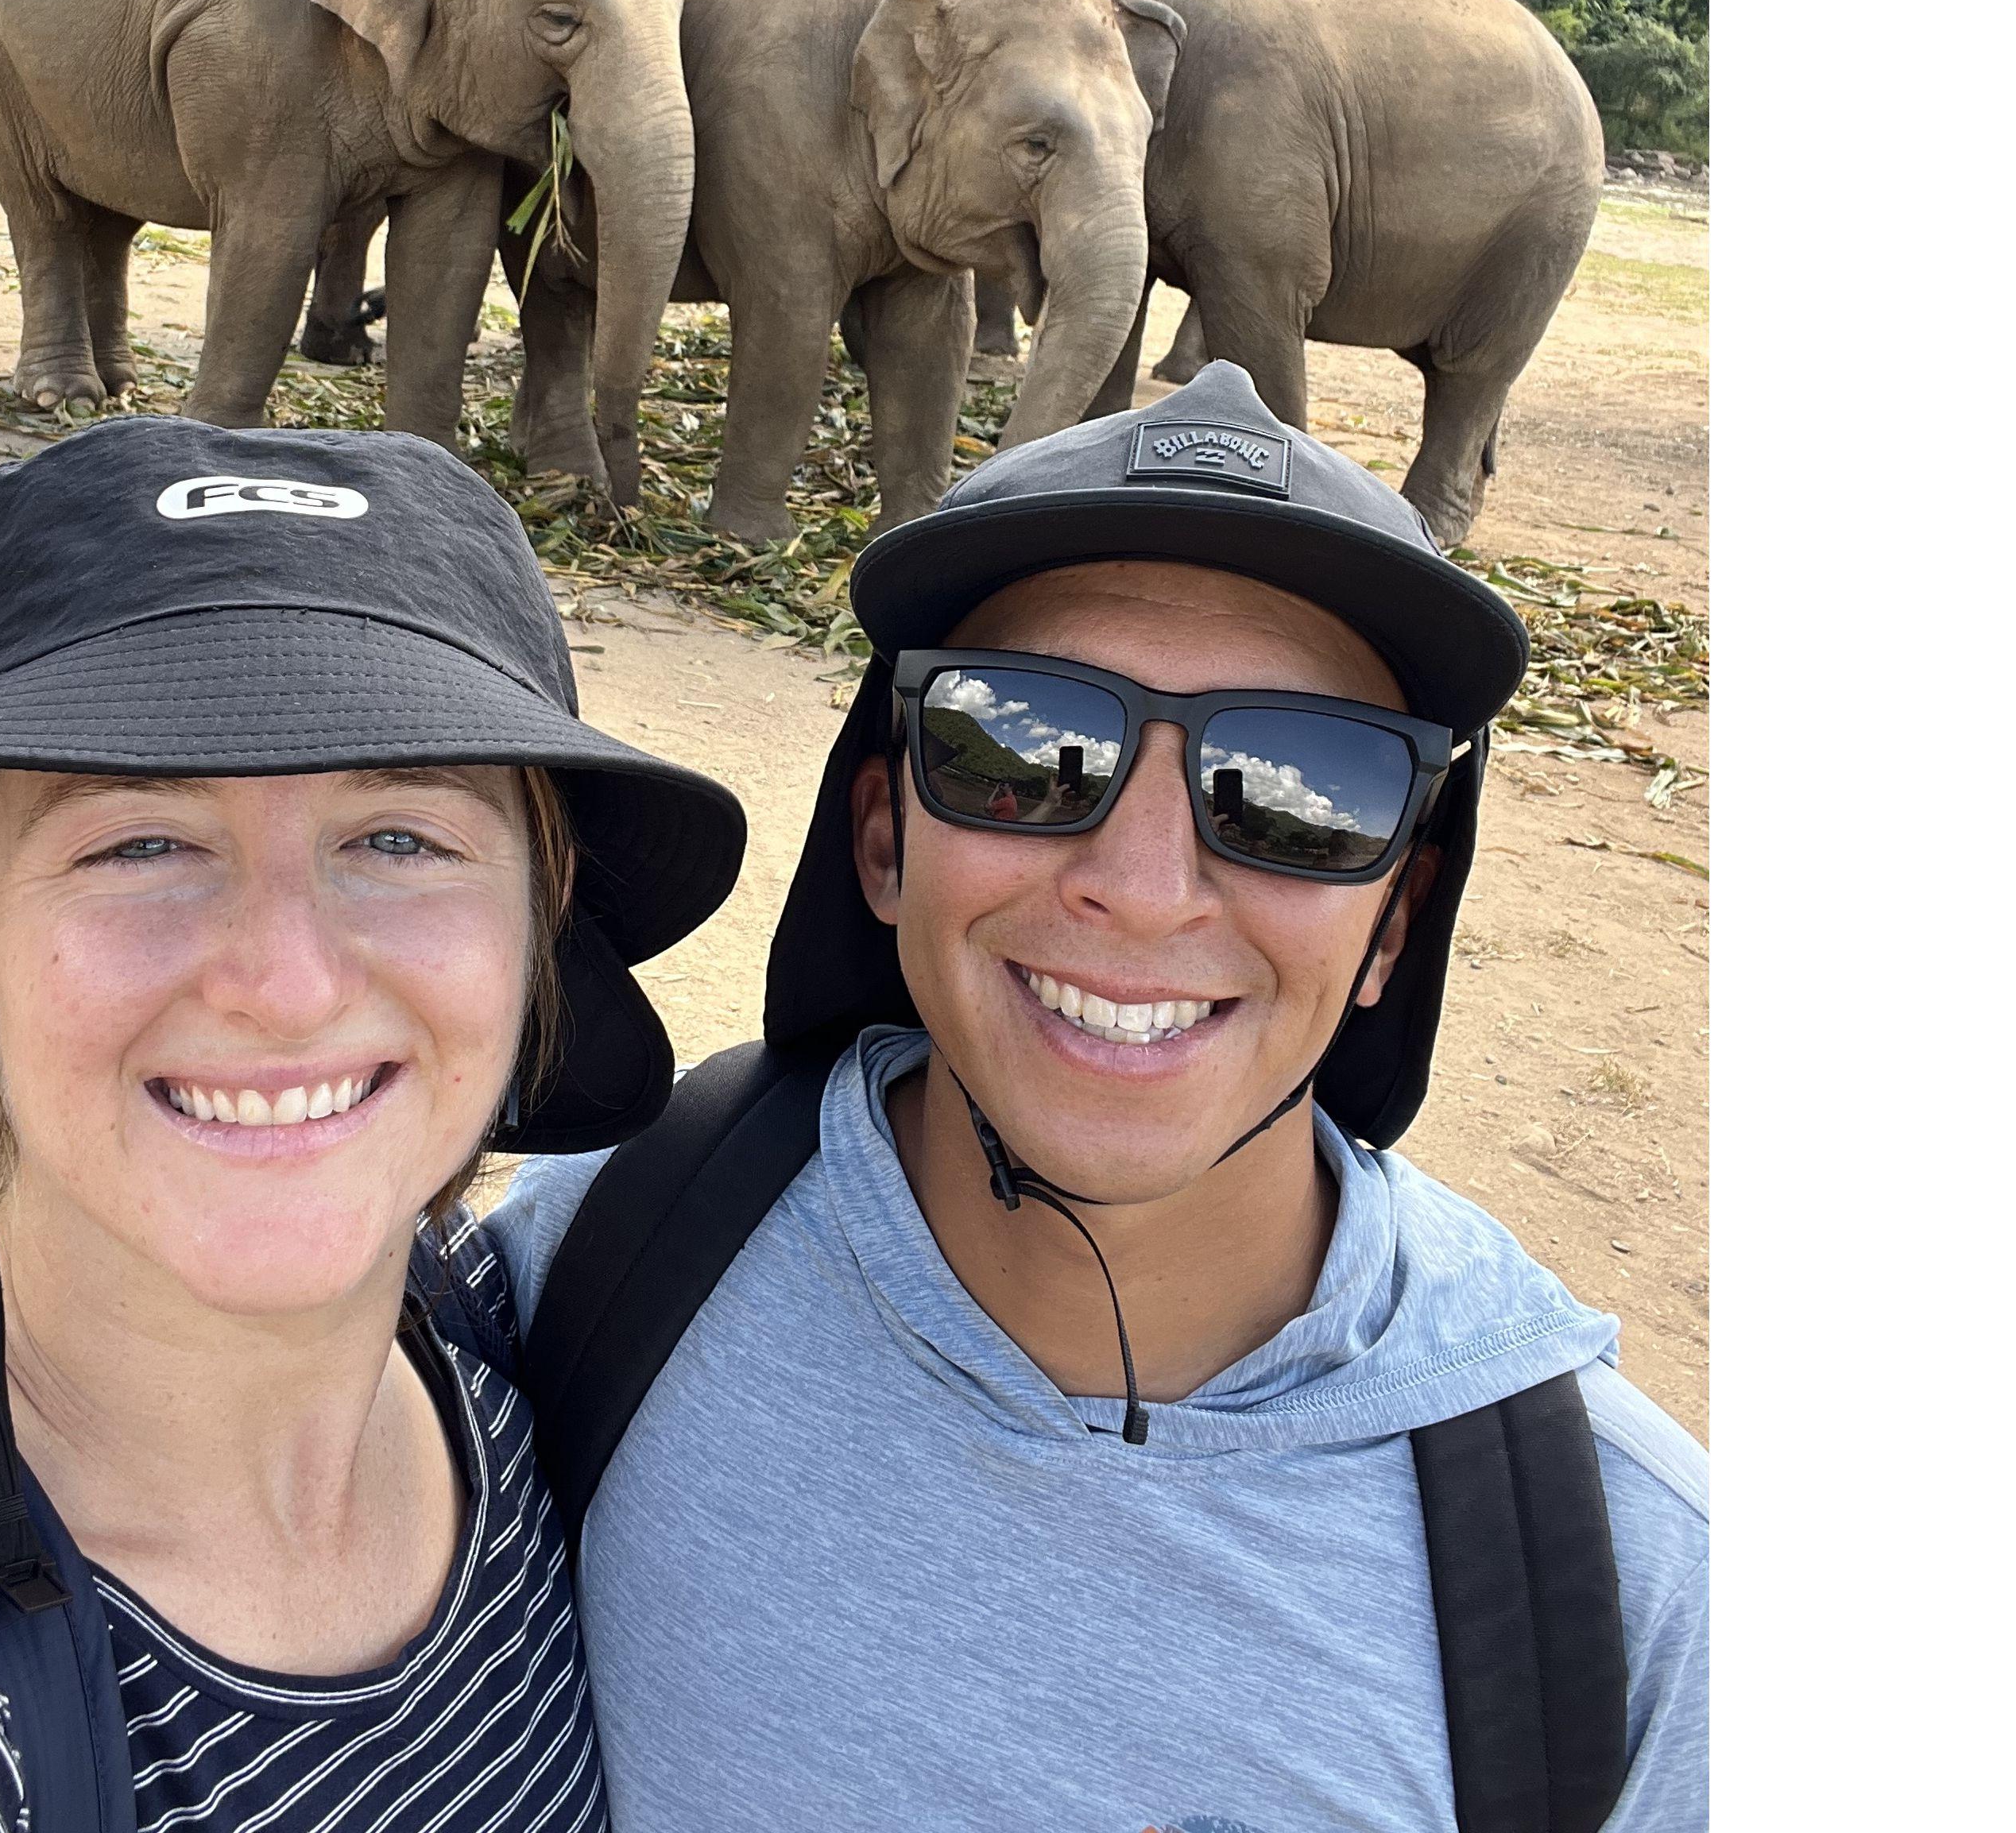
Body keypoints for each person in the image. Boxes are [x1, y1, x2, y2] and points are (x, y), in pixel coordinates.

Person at [487, 362, 1708, 1832]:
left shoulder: (1633, 1602)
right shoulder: (580, 1273)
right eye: (1024, 746)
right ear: (882, 840)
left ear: (1394, 923)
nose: (1142, 888)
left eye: (1298, 789)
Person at [0, 416, 744, 1833]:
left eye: (399, 838)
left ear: (539, 929)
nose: (287, 986)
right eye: (139, 842)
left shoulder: (513, 1364)